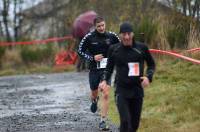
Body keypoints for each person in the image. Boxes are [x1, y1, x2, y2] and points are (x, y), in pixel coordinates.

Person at [99, 22, 156, 132]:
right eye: (123, 34)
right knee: (125, 122)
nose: (126, 37)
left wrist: (148, 77)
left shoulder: (142, 48)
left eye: (129, 34)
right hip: (121, 90)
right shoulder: (113, 49)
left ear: (133, 34)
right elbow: (108, 68)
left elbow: (151, 65)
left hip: (137, 90)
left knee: (134, 126)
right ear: (120, 35)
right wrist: (104, 80)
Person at [78, 16, 120, 130]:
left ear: (105, 24)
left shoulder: (112, 36)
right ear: (95, 27)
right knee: (94, 92)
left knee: (105, 93)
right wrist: (92, 57)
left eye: (103, 25)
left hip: (107, 69)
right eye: (99, 26)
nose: (101, 28)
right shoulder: (89, 37)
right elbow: (80, 51)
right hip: (94, 69)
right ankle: (94, 100)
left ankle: (103, 121)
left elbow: (121, 47)